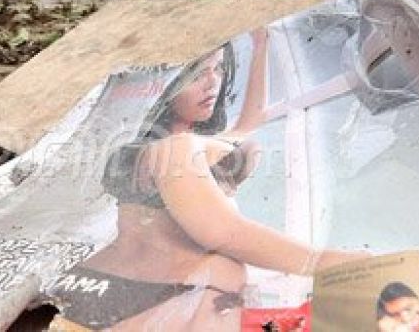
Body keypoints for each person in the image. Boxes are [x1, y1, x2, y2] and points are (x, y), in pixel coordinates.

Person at [49, 28, 367, 330]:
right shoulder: (174, 150)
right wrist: (327, 261)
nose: (212, 83)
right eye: (197, 73)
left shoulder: (182, 147)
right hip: (161, 298)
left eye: (217, 69)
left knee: (320, 321)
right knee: (352, 319)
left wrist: (260, 48)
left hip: (143, 292)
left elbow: (249, 123)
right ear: (163, 86)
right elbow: (225, 232)